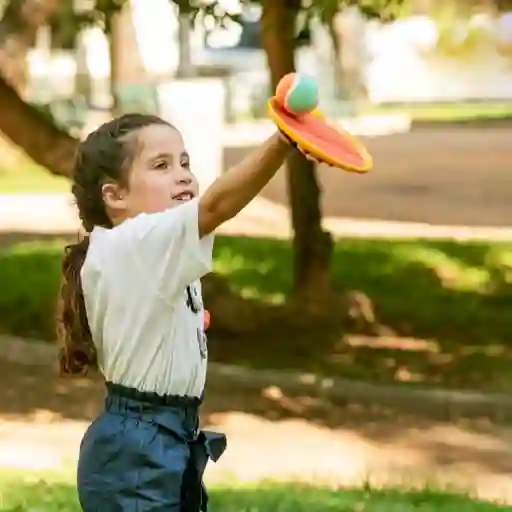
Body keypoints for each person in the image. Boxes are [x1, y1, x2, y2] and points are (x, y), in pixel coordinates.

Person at [56, 112, 294, 511]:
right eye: (161, 165)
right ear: (115, 196)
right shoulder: (133, 242)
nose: (183, 175)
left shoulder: (149, 250)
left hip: (165, 435)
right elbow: (216, 206)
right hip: (135, 449)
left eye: (184, 162)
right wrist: (283, 140)